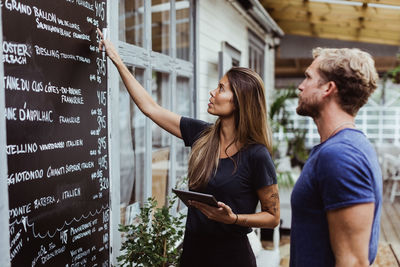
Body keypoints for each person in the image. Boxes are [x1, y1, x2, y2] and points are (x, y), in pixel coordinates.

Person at [97, 29, 280, 267]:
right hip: (194, 253)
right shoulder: (202, 134)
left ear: (239, 102)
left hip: (231, 258)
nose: (213, 92)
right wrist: (117, 59)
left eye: (221, 88)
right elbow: (150, 108)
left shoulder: (256, 155)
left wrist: (233, 218)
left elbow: (272, 217)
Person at [290, 47, 382, 267]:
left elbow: (353, 262)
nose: (300, 87)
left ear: (328, 89)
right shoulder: (339, 148)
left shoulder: (340, 155)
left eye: (308, 77)